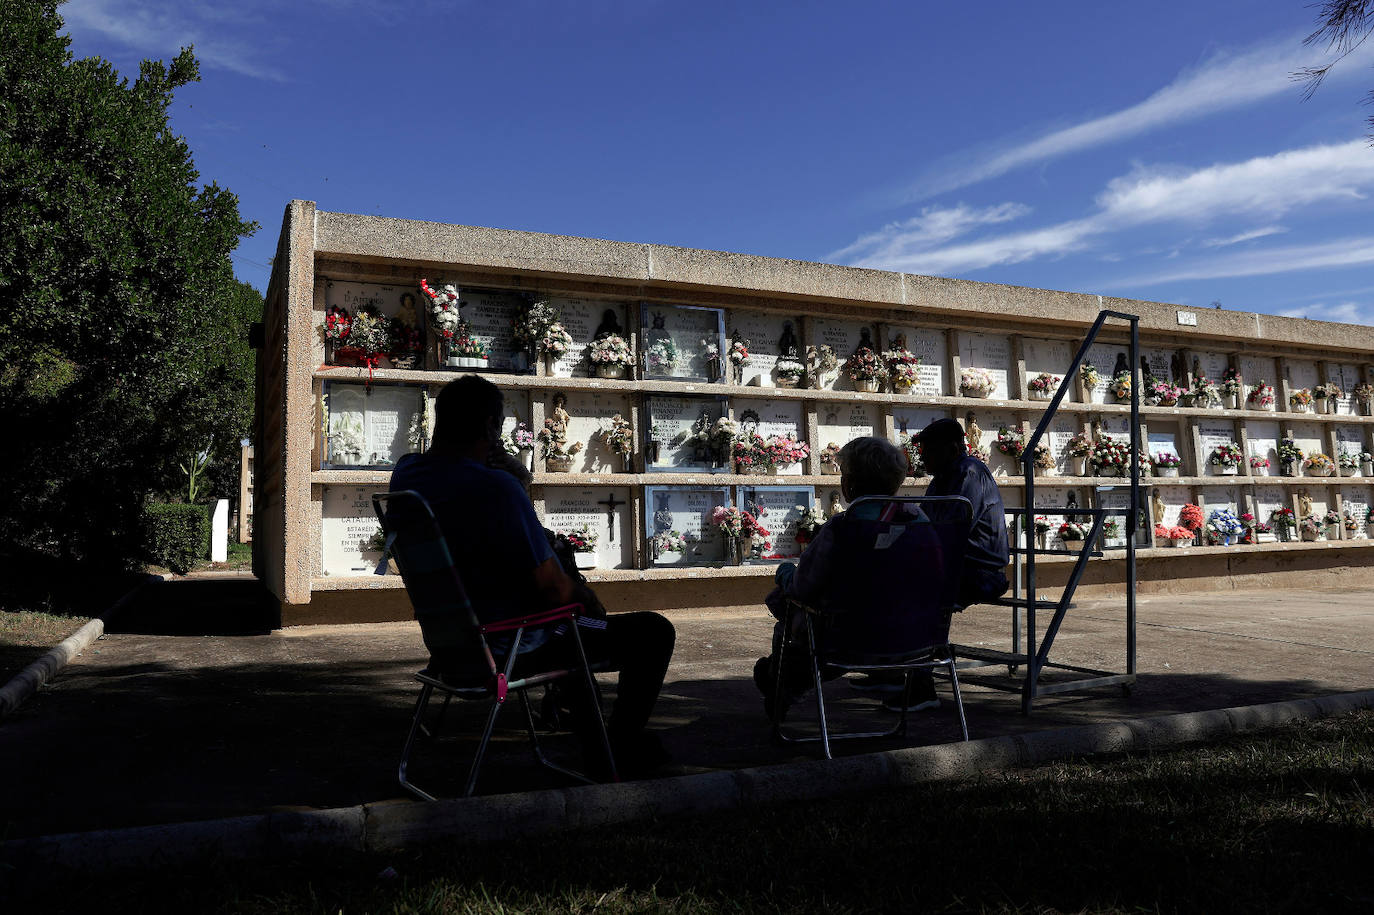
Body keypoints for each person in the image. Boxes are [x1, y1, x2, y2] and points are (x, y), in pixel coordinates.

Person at [389, 375, 675, 775]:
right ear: (491, 426)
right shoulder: (497, 489)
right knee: (647, 631)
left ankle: (597, 743)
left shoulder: (407, 475)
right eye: (498, 424)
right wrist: (589, 598)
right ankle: (619, 748)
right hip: (510, 645)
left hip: (452, 647)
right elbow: (554, 590)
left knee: (570, 624)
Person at [753, 437, 947, 714]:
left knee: (794, 610)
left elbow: (803, 587)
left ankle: (780, 681)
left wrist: (784, 572)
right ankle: (884, 676)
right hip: (916, 640)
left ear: (850, 484)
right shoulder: (920, 521)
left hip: (847, 641)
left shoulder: (843, 528)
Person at [917, 417, 1010, 607]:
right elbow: (923, 521)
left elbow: (952, 528)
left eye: (929, 450)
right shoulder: (941, 477)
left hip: (980, 572)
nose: (922, 457)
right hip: (955, 565)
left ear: (952, 449)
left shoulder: (970, 473)